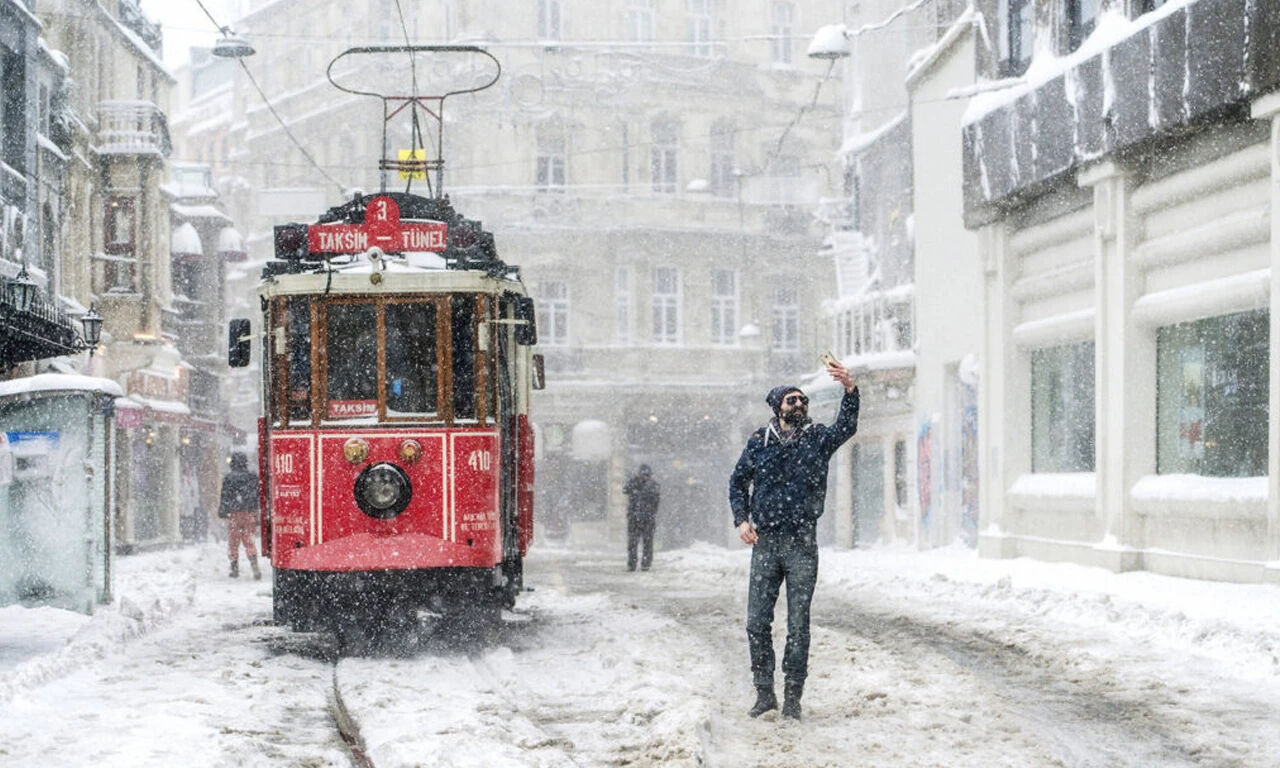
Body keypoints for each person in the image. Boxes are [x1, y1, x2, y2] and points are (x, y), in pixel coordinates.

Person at [728, 361, 859, 720]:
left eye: (802, 400)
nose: (799, 405)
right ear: (777, 408)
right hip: (766, 543)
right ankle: (764, 693)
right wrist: (741, 519)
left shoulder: (817, 439)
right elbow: (737, 482)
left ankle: (793, 697)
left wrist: (850, 391)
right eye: (791, 401)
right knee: (757, 622)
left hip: (802, 543)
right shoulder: (759, 442)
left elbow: (847, 426)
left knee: (799, 625)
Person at [218, 452, 262, 579]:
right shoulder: (252, 477)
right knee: (249, 540)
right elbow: (256, 495)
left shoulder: (228, 478)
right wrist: (256, 511)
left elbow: (225, 496)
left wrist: (223, 510)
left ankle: (234, 568)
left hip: (233, 514)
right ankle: (255, 567)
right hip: (249, 513)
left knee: (233, 541)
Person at [622, 464, 661, 571]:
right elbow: (625, 489)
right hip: (635, 518)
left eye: (647, 475)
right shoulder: (634, 483)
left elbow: (656, 502)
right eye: (643, 474)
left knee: (647, 543)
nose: (645, 477)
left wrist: (651, 513)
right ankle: (632, 564)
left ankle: (645, 564)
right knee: (633, 543)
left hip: (647, 519)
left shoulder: (653, 486)